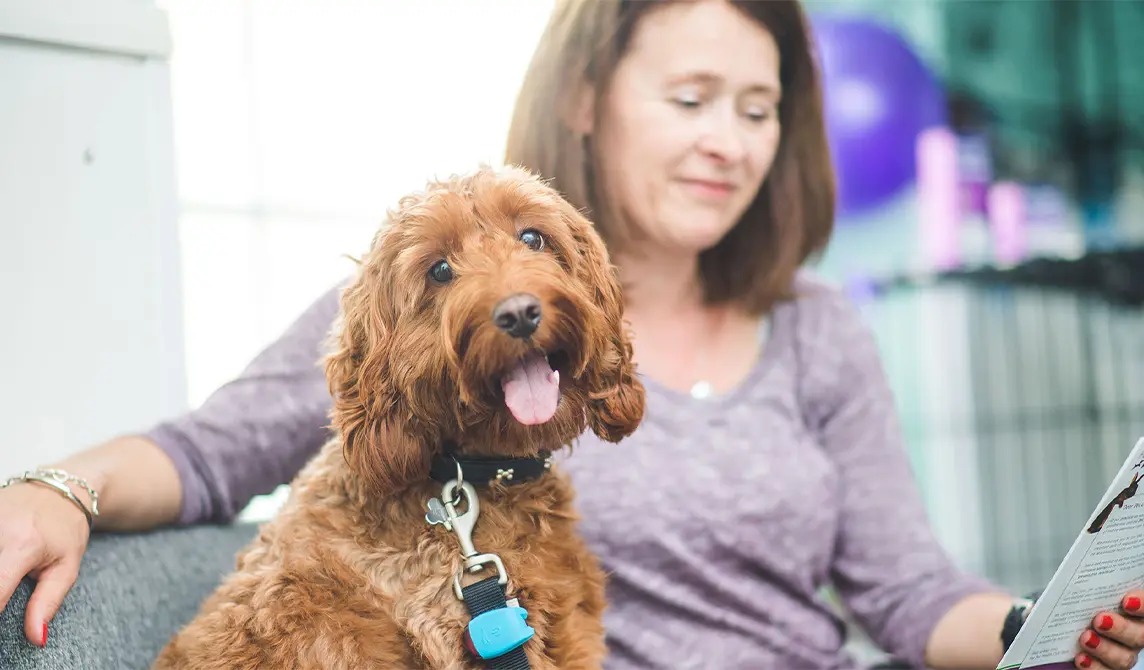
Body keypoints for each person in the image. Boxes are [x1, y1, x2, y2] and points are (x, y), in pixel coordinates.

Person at [1, 1, 1141, 668]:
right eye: (691, 99)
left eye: (757, 109)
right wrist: (61, 487)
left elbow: (907, 591)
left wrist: (1046, 630)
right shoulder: (424, 308)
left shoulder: (815, 330)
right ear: (589, 95)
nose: (728, 144)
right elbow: (210, 451)